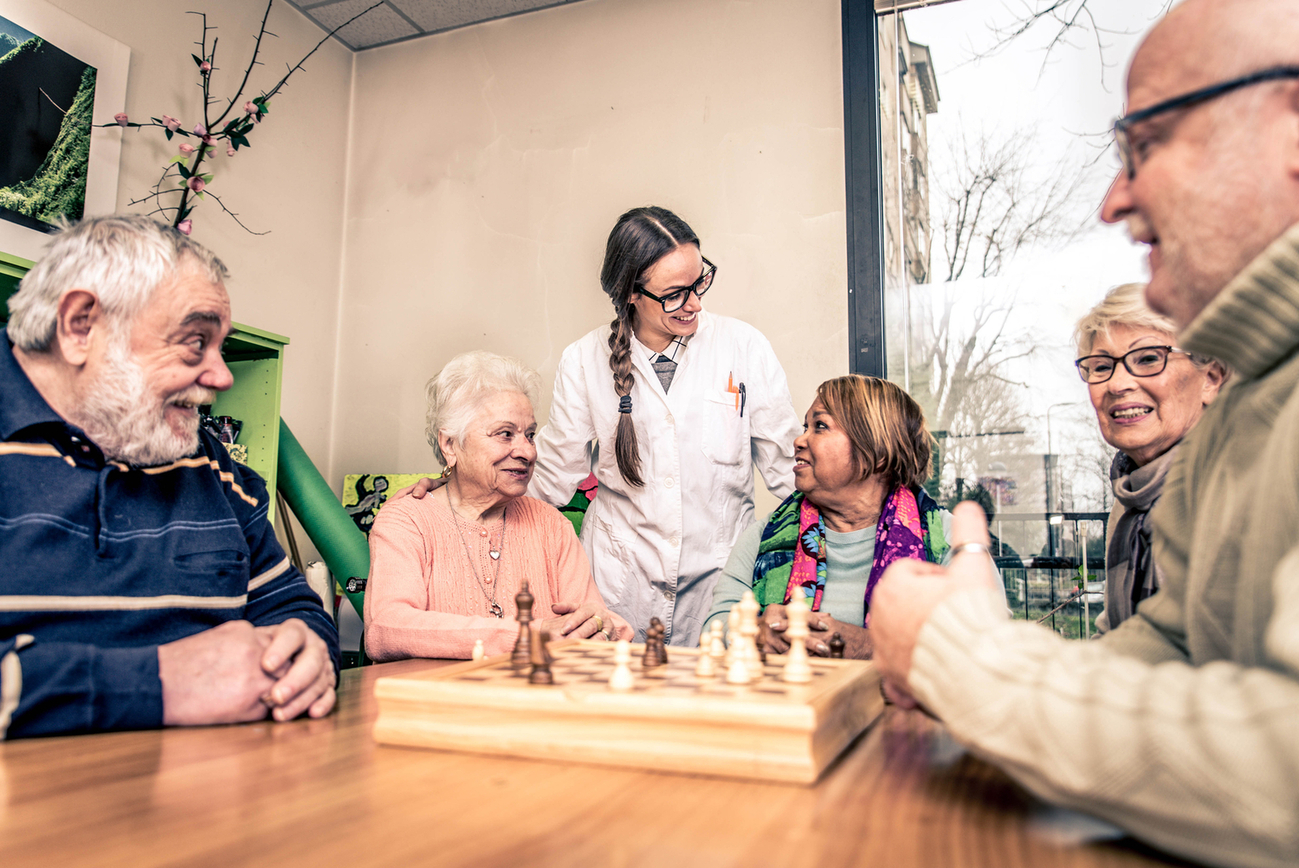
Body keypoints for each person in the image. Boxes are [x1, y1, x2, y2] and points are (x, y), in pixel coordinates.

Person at [870, 2, 1299, 866]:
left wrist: (967, 660)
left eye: (1146, 145)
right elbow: (1172, 646)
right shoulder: (1251, 402)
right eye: (1100, 368)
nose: (1113, 199)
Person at [0, 215, 338, 740]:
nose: (222, 376)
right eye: (193, 341)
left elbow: (288, 603)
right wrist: (159, 684)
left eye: (220, 346)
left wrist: (307, 650)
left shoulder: (205, 458)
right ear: (80, 326)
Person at [402, 207, 801, 648]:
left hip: (719, 580)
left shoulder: (743, 347)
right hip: (620, 583)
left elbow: (789, 469)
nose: (695, 304)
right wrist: (452, 494)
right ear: (631, 293)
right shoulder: (584, 360)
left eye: (699, 281)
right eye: (674, 293)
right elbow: (552, 475)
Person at [364, 351, 631, 661]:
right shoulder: (406, 521)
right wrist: (527, 636)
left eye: (530, 435)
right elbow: (387, 628)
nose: (528, 452)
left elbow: (600, 624)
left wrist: (599, 627)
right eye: (505, 434)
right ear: (450, 444)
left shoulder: (550, 524)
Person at [702, 375, 951, 658]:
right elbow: (713, 630)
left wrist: (870, 647)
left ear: (878, 451)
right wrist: (755, 632)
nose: (799, 440)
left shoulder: (944, 539)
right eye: (806, 426)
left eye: (820, 426)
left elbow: (982, 651)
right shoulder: (763, 536)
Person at [1073, 283, 1225, 631]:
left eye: (1148, 358)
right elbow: (1117, 637)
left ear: (1211, 379)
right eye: (1100, 366)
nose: (1117, 384)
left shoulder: (1237, 492)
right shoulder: (1130, 497)